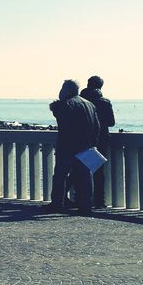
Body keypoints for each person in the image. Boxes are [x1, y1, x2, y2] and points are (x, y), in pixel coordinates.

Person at [48, 79, 101, 213]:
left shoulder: (67, 104)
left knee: (60, 176)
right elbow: (97, 127)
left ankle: (57, 203)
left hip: (69, 147)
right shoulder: (90, 104)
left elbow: (64, 128)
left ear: (66, 90)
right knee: (85, 177)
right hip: (87, 146)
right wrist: (93, 144)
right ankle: (86, 205)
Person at [79, 76, 116, 208]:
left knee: (78, 169)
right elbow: (111, 122)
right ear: (101, 86)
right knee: (98, 171)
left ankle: (79, 199)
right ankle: (99, 201)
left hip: (82, 138)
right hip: (100, 139)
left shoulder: (81, 101)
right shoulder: (104, 102)